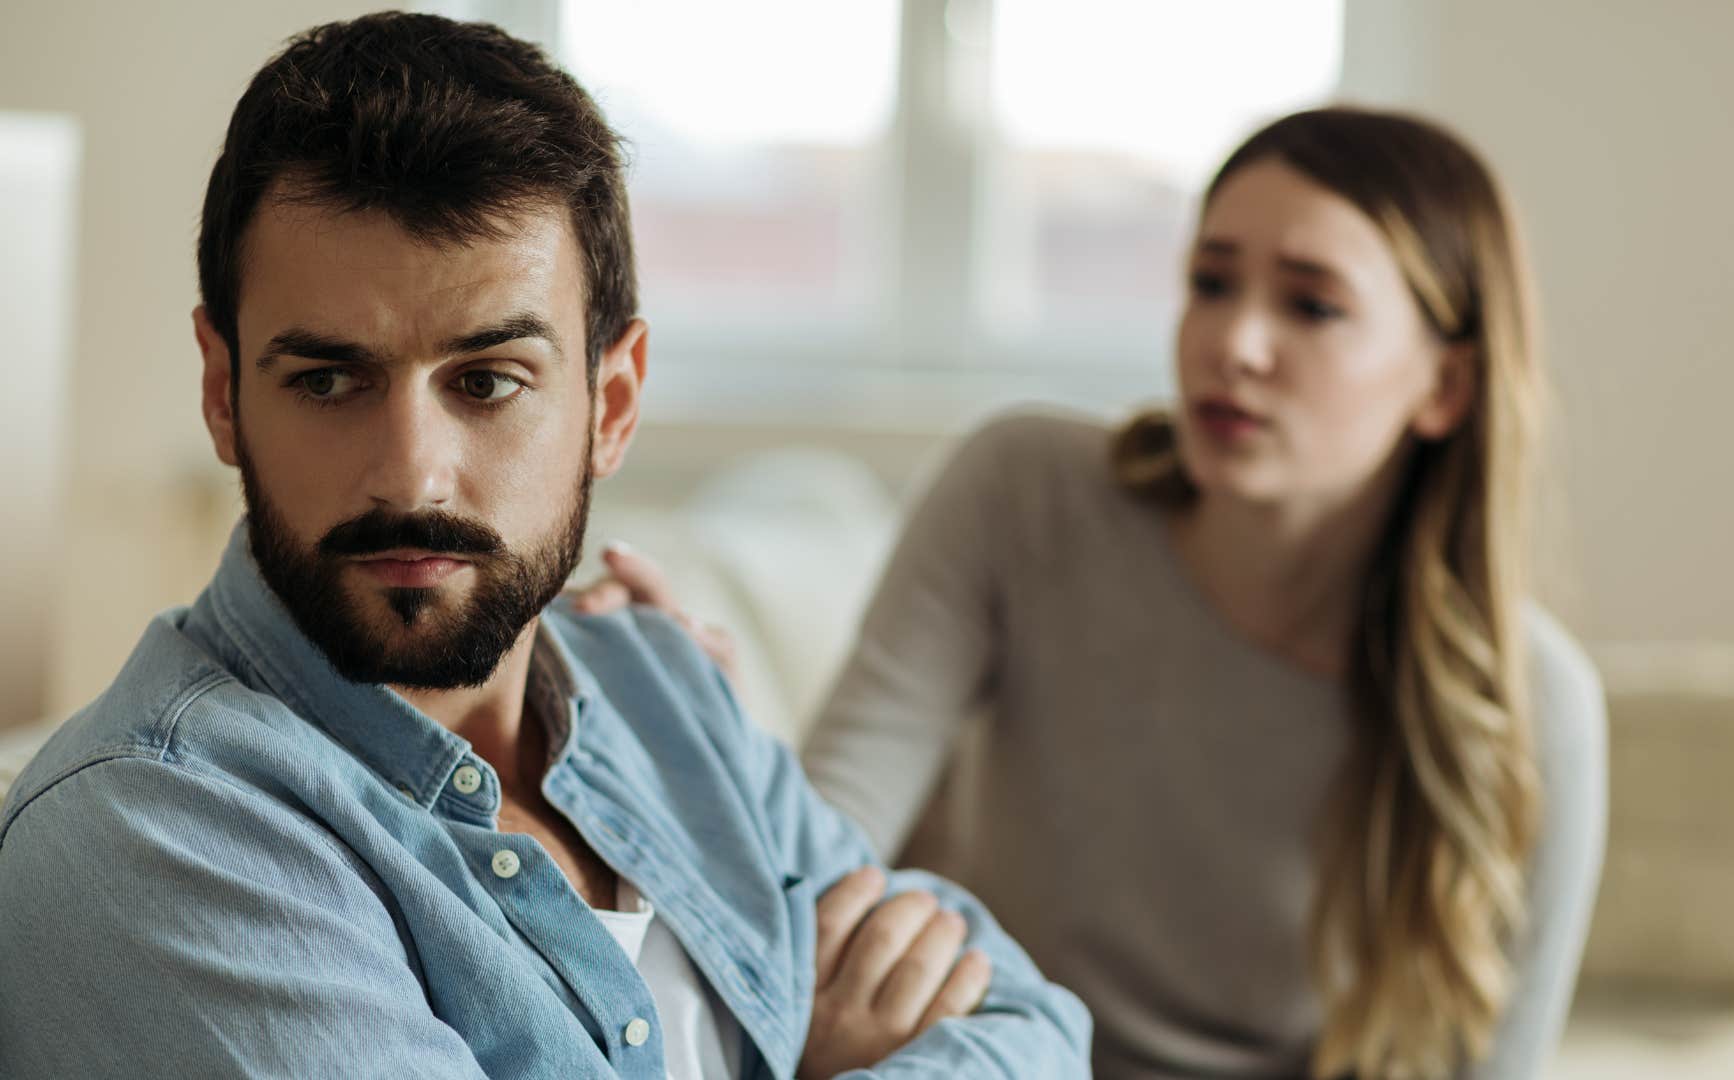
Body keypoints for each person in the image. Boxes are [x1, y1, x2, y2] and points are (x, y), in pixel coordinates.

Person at [0, 13, 1088, 1078]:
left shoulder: (663, 688)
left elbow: (1033, 1027)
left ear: (611, 405)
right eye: (327, 381)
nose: (411, 472)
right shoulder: (154, 838)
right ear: (222, 391)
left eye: (487, 382)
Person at [581, 107, 1609, 1079]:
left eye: (1312, 305)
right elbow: (821, 862)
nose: (1235, 342)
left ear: (1446, 388)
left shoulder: (1533, 699)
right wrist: (705, 730)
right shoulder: (1024, 492)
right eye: (1211, 282)